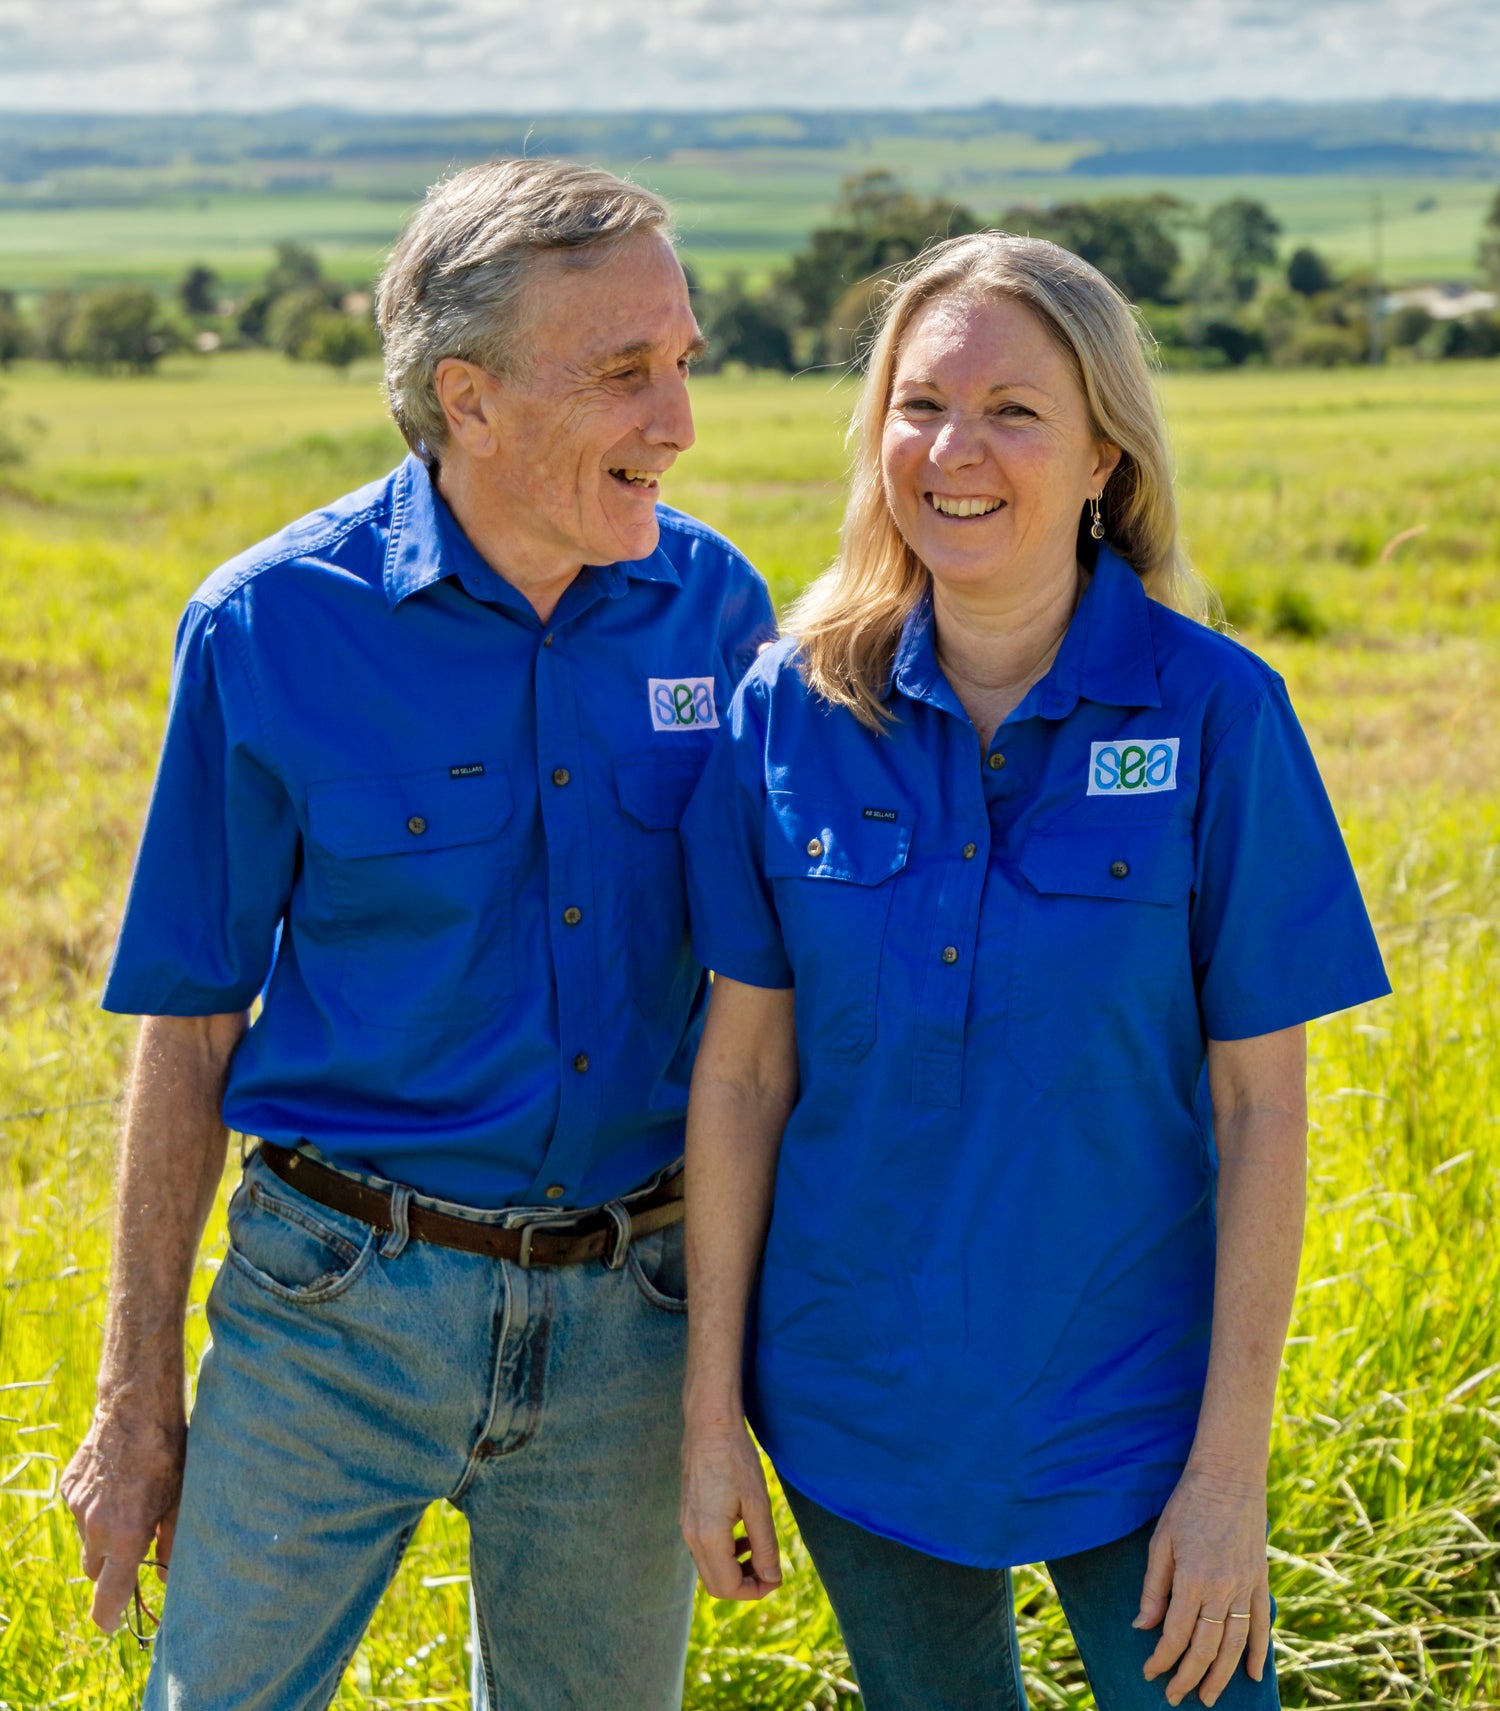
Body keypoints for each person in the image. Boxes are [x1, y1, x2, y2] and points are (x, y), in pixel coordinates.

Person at [60, 158, 775, 1711]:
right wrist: (137, 1402)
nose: (679, 423)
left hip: (630, 1321)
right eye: (625, 374)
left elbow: (769, 1013)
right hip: (334, 1315)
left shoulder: (721, 613)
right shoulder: (266, 629)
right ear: (471, 397)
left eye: (683, 365)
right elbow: (186, 1024)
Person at [677, 231, 1390, 1711]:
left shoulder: (1217, 715)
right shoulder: (783, 709)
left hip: (1134, 1416)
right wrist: (708, 1418)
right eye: (921, 403)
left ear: (1103, 461)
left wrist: (1228, 1480)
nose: (957, 449)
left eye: (1015, 412)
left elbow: (1264, 1113)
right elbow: (744, 1077)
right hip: (855, 1401)